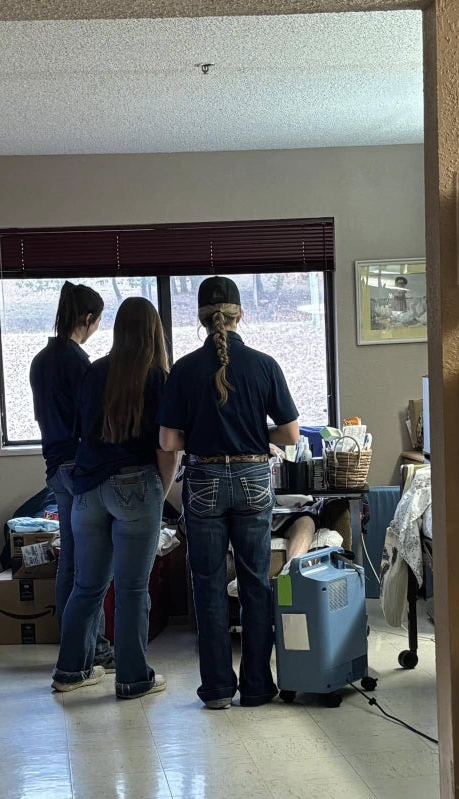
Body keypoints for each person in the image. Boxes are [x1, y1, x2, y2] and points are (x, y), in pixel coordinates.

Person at [159, 276, 299, 709]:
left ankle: (218, 689)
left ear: (201, 319)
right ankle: (257, 686)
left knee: (208, 584)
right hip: (254, 476)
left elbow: (168, 441)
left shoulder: (184, 369)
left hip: (203, 480)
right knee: (255, 582)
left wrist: (204, 436)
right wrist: (256, 433)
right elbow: (290, 434)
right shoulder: (264, 364)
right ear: (241, 315)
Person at [51, 297, 178, 697]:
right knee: (132, 589)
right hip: (136, 485)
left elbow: (81, 434)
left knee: (87, 586)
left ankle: (70, 671)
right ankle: (133, 678)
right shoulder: (158, 378)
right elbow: (167, 448)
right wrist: (159, 494)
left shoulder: (93, 372)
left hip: (87, 489)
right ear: (154, 332)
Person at [29, 281, 113, 670]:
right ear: (89, 318)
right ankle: (94, 649)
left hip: (54, 465)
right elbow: (93, 420)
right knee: (91, 565)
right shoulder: (79, 363)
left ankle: (72, 643)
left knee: (70, 560)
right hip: (79, 467)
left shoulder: (41, 360)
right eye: (98, 321)